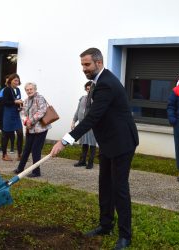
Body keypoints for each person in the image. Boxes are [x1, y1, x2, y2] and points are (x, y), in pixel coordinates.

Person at [50, 48, 139, 250]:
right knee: (105, 186)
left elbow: (92, 117)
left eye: (87, 64)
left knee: (119, 189)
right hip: (108, 142)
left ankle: (125, 236)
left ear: (98, 63)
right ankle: (105, 225)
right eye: (82, 65)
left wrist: (65, 140)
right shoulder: (98, 83)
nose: (84, 68)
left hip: (122, 143)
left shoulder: (106, 83)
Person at [13, 82, 50, 177]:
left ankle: (36, 172)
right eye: (27, 90)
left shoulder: (40, 98)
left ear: (35, 89)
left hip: (40, 129)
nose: (29, 91)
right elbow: (22, 113)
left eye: (31, 89)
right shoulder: (26, 100)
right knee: (26, 149)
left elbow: (42, 111)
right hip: (30, 129)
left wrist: (31, 121)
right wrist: (26, 121)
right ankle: (20, 169)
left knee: (35, 150)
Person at [72, 81, 97, 169]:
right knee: (84, 143)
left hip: (91, 125)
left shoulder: (95, 100)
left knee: (92, 144)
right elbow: (78, 110)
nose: (88, 91)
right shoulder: (82, 98)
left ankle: (90, 162)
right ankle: (82, 161)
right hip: (82, 125)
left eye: (90, 89)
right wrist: (73, 122)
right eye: (87, 89)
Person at [0, 73, 23, 161]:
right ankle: (4, 155)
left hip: (16, 114)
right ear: (10, 81)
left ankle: (19, 155)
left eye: (18, 80)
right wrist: (15, 102)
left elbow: (18, 101)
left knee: (20, 133)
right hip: (8, 115)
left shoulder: (18, 90)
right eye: (15, 80)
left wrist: (20, 106)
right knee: (6, 135)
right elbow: (5, 102)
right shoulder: (6, 90)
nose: (17, 82)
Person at [0, 75, 15, 153]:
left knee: (11, 131)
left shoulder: (13, 90)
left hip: (10, 113)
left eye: (8, 82)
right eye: (6, 82)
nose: (7, 83)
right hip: (2, 112)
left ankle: (12, 147)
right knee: (3, 130)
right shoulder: (3, 90)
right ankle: (3, 146)